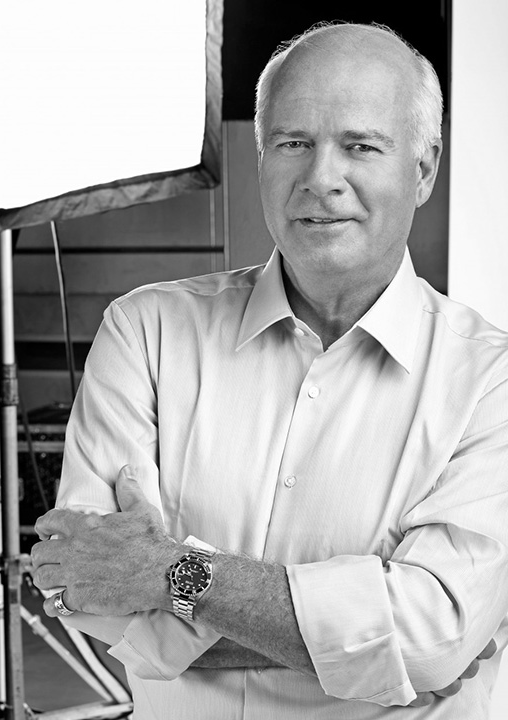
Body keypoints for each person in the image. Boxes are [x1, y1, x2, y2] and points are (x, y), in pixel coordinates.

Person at [30, 21, 508, 718]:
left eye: (360, 146)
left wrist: (166, 574)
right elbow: (87, 588)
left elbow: (433, 639)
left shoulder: (491, 380)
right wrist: (372, 642)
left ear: (424, 168)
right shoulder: (145, 331)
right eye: (293, 143)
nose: (321, 179)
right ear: (261, 157)